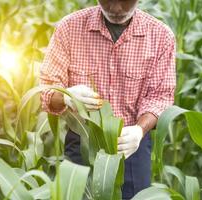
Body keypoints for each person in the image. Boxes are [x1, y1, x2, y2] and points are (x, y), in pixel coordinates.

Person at [40, 0, 176, 199]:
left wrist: (140, 130)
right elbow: (46, 90)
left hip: (131, 146)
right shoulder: (69, 28)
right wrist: (67, 96)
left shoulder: (161, 36)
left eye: (125, 0)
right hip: (81, 144)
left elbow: (161, 96)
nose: (116, 8)